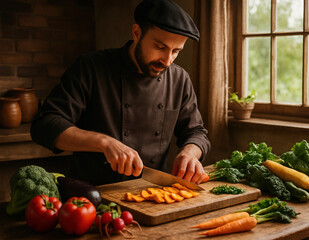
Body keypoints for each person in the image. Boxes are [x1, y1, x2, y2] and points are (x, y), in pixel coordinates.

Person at [31, 0, 210, 186]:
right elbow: (45, 124)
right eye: (160, 47)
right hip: (93, 194)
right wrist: (104, 142)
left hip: (151, 192)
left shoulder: (179, 79)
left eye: (176, 51)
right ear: (137, 33)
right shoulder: (90, 68)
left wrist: (190, 152)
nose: (167, 60)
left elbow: (196, 133)